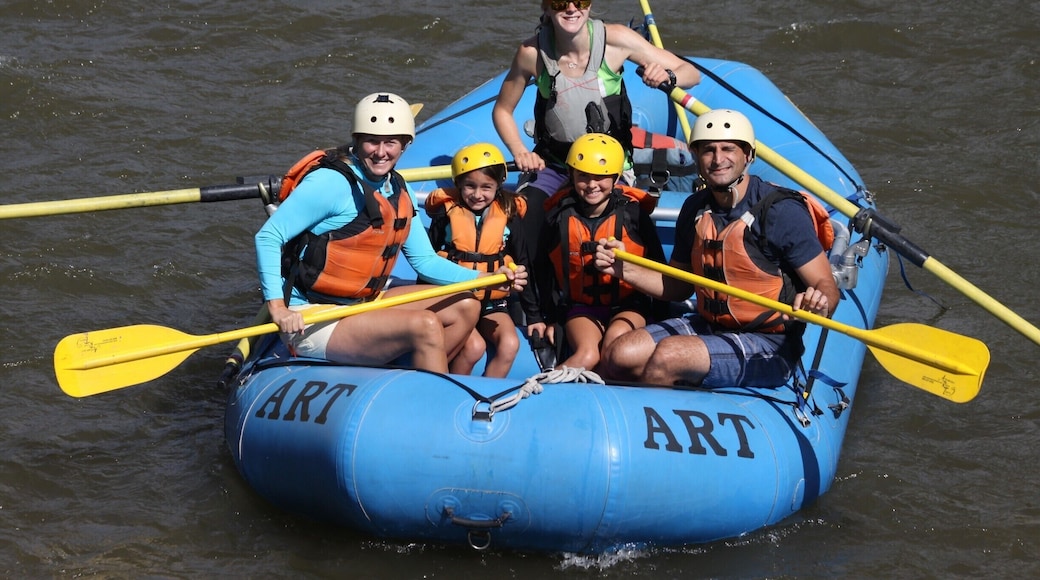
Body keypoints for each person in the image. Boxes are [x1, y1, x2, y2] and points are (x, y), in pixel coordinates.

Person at [254, 92, 526, 374]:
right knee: (426, 325)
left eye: (391, 143)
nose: (380, 152)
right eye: (372, 141)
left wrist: (486, 279)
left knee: (467, 305)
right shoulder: (330, 183)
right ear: (357, 141)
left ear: (405, 145)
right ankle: (431, 393)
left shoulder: (397, 187)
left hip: (365, 303)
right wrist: (278, 308)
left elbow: (425, 262)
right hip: (314, 316)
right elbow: (268, 237)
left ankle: (418, 377)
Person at [594, 109, 839, 387]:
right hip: (709, 326)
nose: (718, 159)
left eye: (728, 149)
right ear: (696, 156)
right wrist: (623, 269)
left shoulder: (781, 212)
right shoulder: (694, 208)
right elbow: (678, 286)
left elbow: (827, 286)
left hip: (769, 344)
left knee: (670, 356)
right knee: (619, 354)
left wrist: (818, 302)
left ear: (749, 155)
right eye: (708, 150)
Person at [492, 0, 700, 249]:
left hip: (609, 168)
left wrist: (669, 76)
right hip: (555, 165)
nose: (571, 8)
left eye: (580, 1)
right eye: (560, 2)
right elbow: (502, 110)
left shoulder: (617, 39)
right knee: (526, 220)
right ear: (546, 8)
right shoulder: (532, 53)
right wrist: (520, 151)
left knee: (620, 225)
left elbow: (691, 73)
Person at [529, 133, 665, 372]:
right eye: (583, 176)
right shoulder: (558, 218)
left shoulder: (634, 216)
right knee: (588, 355)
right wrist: (545, 318)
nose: (592, 185)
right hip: (580, 306)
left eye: (601, 177)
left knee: (616, 347)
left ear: (616, 177)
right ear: (571, 175)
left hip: (629, 306)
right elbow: (541, 269)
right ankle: (547, 395)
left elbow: (658, 265)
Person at [423, 143, 540, 377]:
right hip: (454, 301)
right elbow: (427, 261)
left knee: (510, 344)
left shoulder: (508, 214)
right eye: (470, 186)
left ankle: (486, 402)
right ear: (458, 184)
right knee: (474, 347)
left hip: (491, 303)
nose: (477, 195)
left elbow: (523, 263)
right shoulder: (446, 214)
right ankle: (451, 395)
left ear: (498, 186)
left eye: (486, 187)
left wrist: (534, 316)